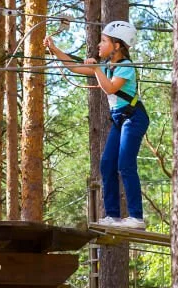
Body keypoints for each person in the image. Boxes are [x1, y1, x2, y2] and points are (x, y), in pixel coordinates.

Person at [44, 20, 149, 230]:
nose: (99, 45)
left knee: (125, 164)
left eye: (104, 41)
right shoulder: (105, 67)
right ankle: (112, 215)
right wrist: (55, 49)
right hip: (120, 120)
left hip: (133, 117)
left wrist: (96, 68)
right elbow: (74, 67)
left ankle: (136, 217)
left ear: (117, 46)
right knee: (107, 164)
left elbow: (110, 89)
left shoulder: (125, 67)